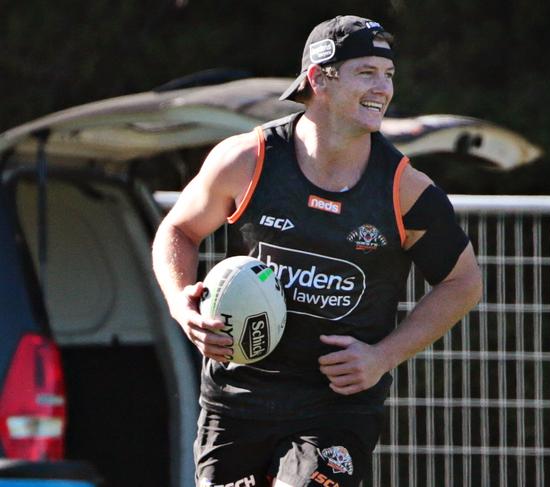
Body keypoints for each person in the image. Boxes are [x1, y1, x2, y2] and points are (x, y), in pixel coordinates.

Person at [152, 14, 482, 487]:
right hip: (237, 399)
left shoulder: (405, 189)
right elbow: (178, 231)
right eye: (366, 73)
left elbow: (463, 282)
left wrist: (382, 357)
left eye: (388, 76)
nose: (383, 89)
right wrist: (181, 304)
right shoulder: (247, 160)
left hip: (336, 410)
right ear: (318, 79)